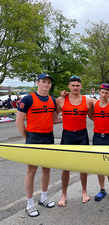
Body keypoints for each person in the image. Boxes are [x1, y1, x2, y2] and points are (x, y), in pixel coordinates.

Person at [15, 73, 62, 217]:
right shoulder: (28, 99)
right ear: (37, 83)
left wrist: (73, 117)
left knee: (46, 169)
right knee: (32, 171)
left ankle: (43, 198)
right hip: (33, 137)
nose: (46, 84)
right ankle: (29, 204)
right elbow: (19, 121)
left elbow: (55, 119)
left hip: (48, 137)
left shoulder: (52, 100)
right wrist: (28, 137)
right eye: (44, 82)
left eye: (48, 82)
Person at [56, 75, 94, 207]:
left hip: (82, 135)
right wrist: (67, 119)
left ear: (81, 86)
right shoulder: (60, 100)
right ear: (69, 87)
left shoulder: (88, 101)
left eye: (78, 85)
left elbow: (97, 112)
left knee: (82, 166)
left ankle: (84, 191)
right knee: (65, 167)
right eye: (73, 85)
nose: (75, 87)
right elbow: (53, 118)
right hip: (67, 135)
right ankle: (64, 194)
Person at [90, 83, 109, 202]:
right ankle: (102, 189)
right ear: (99, 92)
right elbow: (91, 116)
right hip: (97, 136)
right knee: (99, 164)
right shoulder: (94, 103)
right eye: (102, 92)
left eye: (107, 92)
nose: (104, 94)